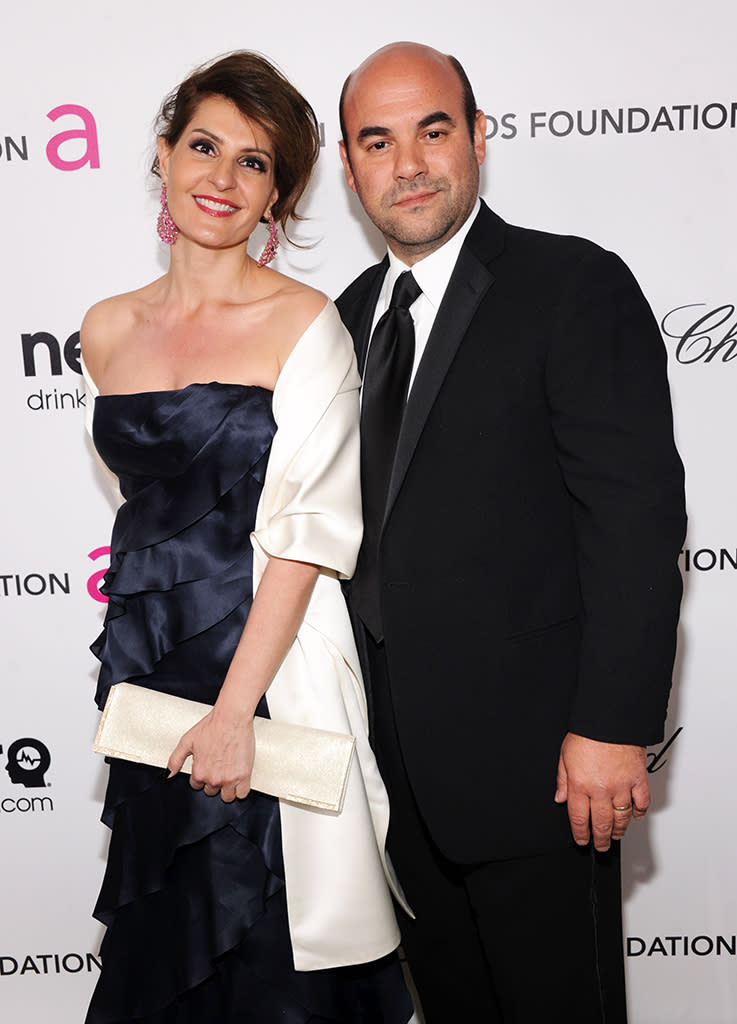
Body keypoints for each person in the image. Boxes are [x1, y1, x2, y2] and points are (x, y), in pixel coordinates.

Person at [336, 41, 686, 1024]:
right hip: (392, 784)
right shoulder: (346, 318)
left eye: (431, 130)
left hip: (542, 773)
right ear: (349, 163)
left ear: (478, 137)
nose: (406, 164)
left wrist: (614, 725)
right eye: (377, 140)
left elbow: (633, 517)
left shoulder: (571, 285)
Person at [81, 51, 413, 1024]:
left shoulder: (304, 324)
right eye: (203, 146)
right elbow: (159, 515)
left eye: (254, 162)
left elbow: (310, 531)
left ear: (281, 194)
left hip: (262, 683)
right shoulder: (105, 330)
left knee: (266, 951)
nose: (221, 178)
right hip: (147, 680)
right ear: (163, 154)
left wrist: (233, 712)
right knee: (164, 945)